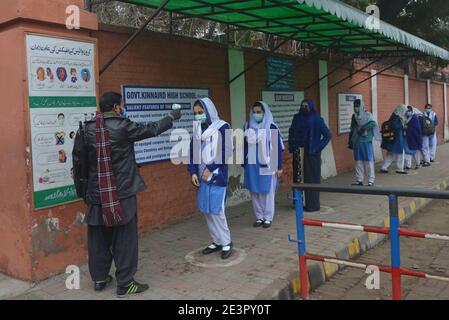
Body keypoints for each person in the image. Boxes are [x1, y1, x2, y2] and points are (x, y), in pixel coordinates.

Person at [72, 91, 181, 297]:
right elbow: (152, 129)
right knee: (125, 239)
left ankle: (100, 279)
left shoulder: (86, 129)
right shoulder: (123, 126)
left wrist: (83, 191)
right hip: (122, 194)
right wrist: (171, 117)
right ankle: (125, 283)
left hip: (97, 194)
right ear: (115, 107)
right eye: (121, 105)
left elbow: (78, 163)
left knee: (98, 238)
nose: (122, 108)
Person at [188, 97, 234, 259]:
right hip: (201, 177)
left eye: (201, 112)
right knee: (207, 209)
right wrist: (193, 172)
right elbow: (192, 153)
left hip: (217, 175)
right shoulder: (197, 129)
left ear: (208, 111)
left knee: (217, 210)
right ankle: (216, 241)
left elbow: (227, 151)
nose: (198, 116)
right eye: (195, 113)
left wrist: (210, 168)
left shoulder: (223, 127)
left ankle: (226, 242)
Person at [243, 101, 284, 228]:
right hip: (252, 164)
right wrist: (243, 163)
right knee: (254, 191)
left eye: (259, 112)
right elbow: (244, 145)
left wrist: (279, 166)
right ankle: (259, 217)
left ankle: (268, 217)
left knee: (267, 191)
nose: (256, 114)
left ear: (264, 112)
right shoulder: (247, 126)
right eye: (254, 112)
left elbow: (277, 148)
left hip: (267, 163)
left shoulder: (271, 127)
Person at [288, 99, 332, 212]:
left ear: (311, 107)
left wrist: (317, 148)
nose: (304, 108)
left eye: (306, 106)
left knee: (311, 179)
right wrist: (291, 145)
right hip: (298, 152)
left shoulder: (317, 120)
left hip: (311, 153)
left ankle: (312, 205)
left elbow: (328, 135)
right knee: (298, 177)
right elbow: (291, 131)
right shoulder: (296, 118)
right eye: (302, 105)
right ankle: (298, 202)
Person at [348, 99, 380, 186]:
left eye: (358, 105)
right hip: (357, 141)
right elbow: (352, 128)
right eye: (355, 105)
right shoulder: (354, 116)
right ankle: (359, 180)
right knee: (358, 161)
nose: (356, 107)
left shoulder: (368, 115)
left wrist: (364, 127)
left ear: (362, 106)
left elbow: (373, 123)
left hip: (366, 141)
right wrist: (350, 140)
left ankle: (371, 180)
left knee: (368, 161)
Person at [381, 104, 408, 174]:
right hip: (396, 139)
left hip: (393, 139)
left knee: (390, 154)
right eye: (404, 111)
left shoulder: (395, 115)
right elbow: (395, 126)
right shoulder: (396, 117)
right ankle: (400, 169)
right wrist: (402, 124)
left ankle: (384, 167)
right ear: (401, 110)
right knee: (400, 153)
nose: (405, 113)